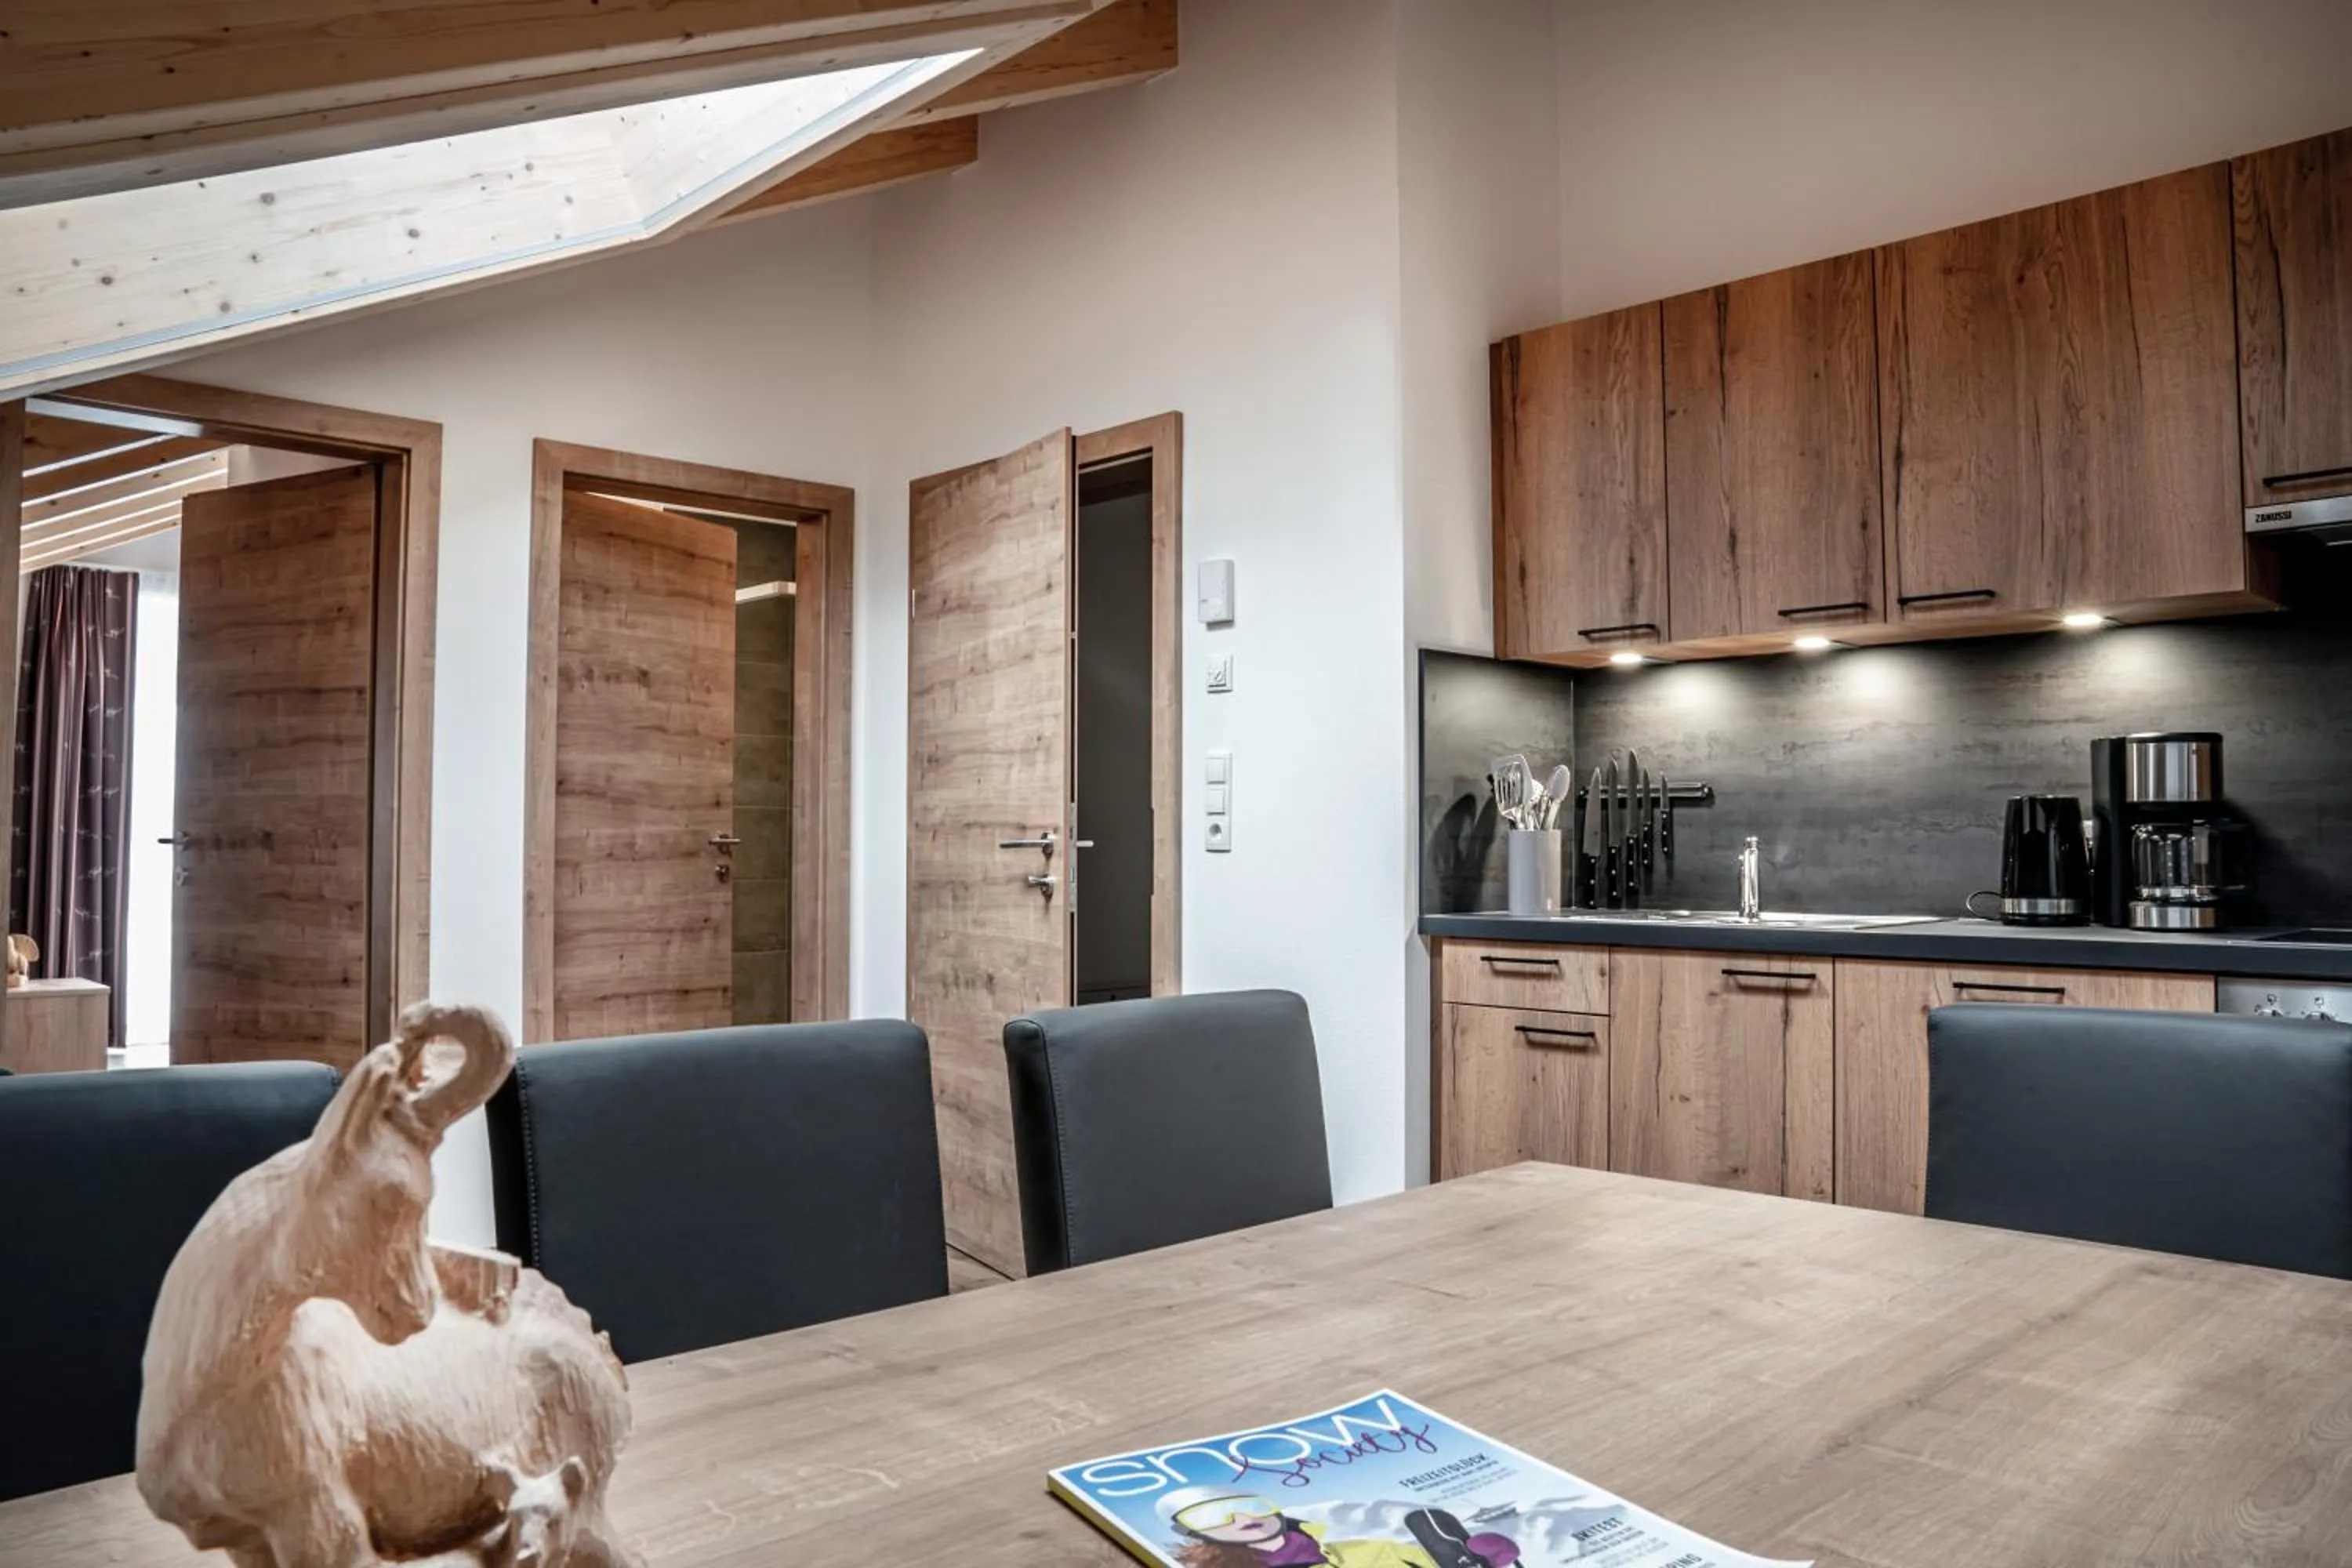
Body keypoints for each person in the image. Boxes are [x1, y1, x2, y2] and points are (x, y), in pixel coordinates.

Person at [1152, 1486, 1518, 1568]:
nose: (1244, 1520)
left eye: (1249, 1507)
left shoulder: (1364, 1551)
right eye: (1213, 1517)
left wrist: (1482, 1558)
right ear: (1193, 1534)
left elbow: (1436, 1563)